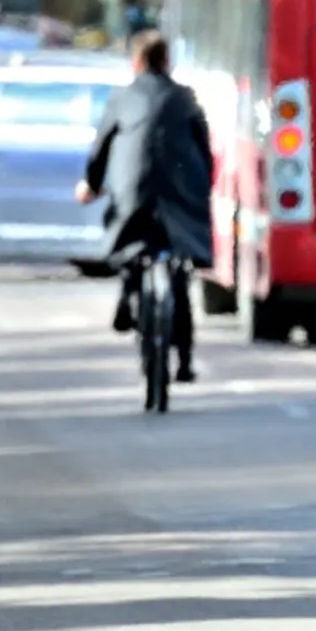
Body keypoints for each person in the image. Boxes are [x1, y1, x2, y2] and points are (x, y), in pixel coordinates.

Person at [77, 31, 214, 382]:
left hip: (132, 191)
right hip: (180, 195)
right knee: (180, 268)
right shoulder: (185, 98)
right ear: (167, 60)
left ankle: (127, 296)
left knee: (129, 238)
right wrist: (202, 190)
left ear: (135, 62)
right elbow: (204, 151)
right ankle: (183, 361)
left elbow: (101, 150)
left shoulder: (122, 99)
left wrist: (91, 185)